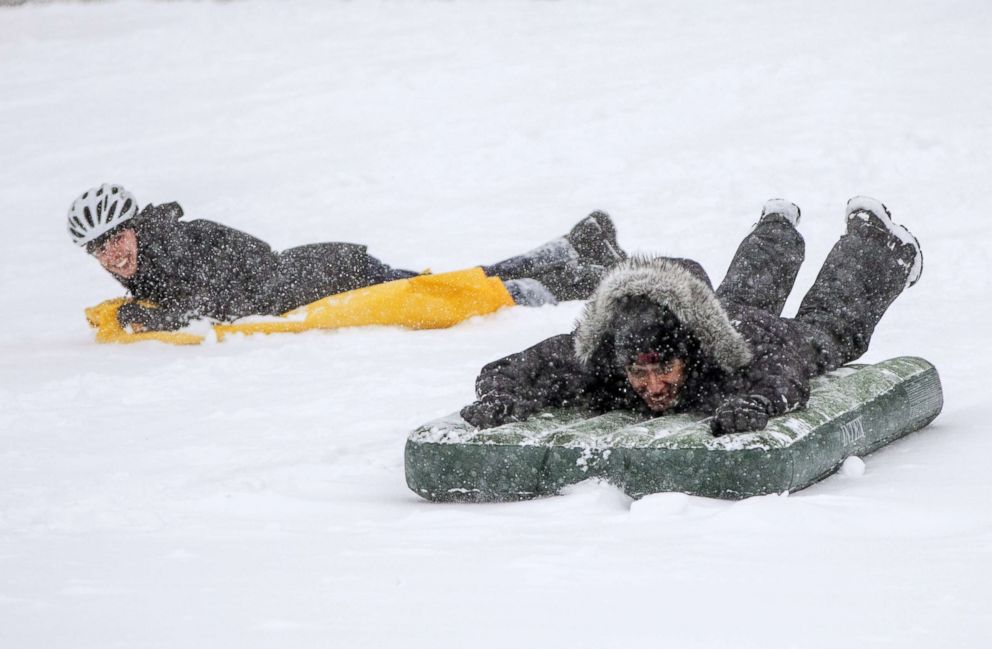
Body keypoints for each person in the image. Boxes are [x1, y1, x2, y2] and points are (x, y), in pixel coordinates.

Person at [460, 197, 923, 435]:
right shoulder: (598, 355)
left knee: (825, 330)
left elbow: (783, 368)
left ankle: (881, 242)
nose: (653, 386)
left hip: (758, 335)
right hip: (721, 315)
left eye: (663, 367)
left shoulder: (732, 349)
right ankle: (776, 226)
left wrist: (758, 402)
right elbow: (514, 370)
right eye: (638, 372)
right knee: (741, 296)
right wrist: (503, 397)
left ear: (688, 352)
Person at [67, 184, 627, 331]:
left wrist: (143, 315)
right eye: (100, 248)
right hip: (319, 271)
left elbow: (207, 303)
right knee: (454, 282)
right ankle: (571, 249)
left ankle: (581, 276)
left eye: (118, 237)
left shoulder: (176, 249)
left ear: (135, 227)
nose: (113, 254)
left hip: (332, 275)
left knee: (452, 291)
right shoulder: (160, 250)